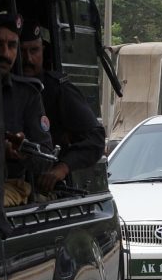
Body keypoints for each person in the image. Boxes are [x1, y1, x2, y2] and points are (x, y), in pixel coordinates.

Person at [19, 19, 106, 192]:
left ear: (43, 50)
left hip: (46, 188)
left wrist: (62, 168)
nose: (28, 59)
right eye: (21, 52)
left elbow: (96, 138)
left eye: (34, 50)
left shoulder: (57, 89)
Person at [0, 10, 52, 207]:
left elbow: (46, 157)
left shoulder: (26, 94)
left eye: (12, 46)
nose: (5, 54)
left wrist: (22, 151)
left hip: (7, 188)